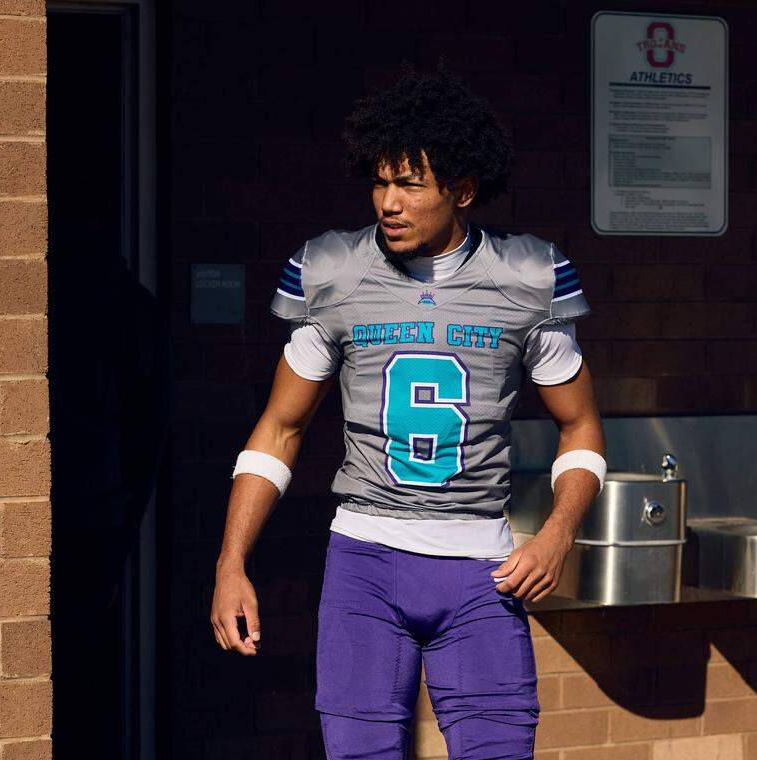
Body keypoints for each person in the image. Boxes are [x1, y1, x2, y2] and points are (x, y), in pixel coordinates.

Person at [210, 59, 606, 759]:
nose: (388, 202)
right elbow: (281, 426)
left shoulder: (526, 277)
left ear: (462, 189)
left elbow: (580, 425)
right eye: (381, 180)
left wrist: (556, 535)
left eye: (410, 184)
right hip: (365, 563)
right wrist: (231, 561)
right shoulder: (333, 272)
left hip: (483, 571)